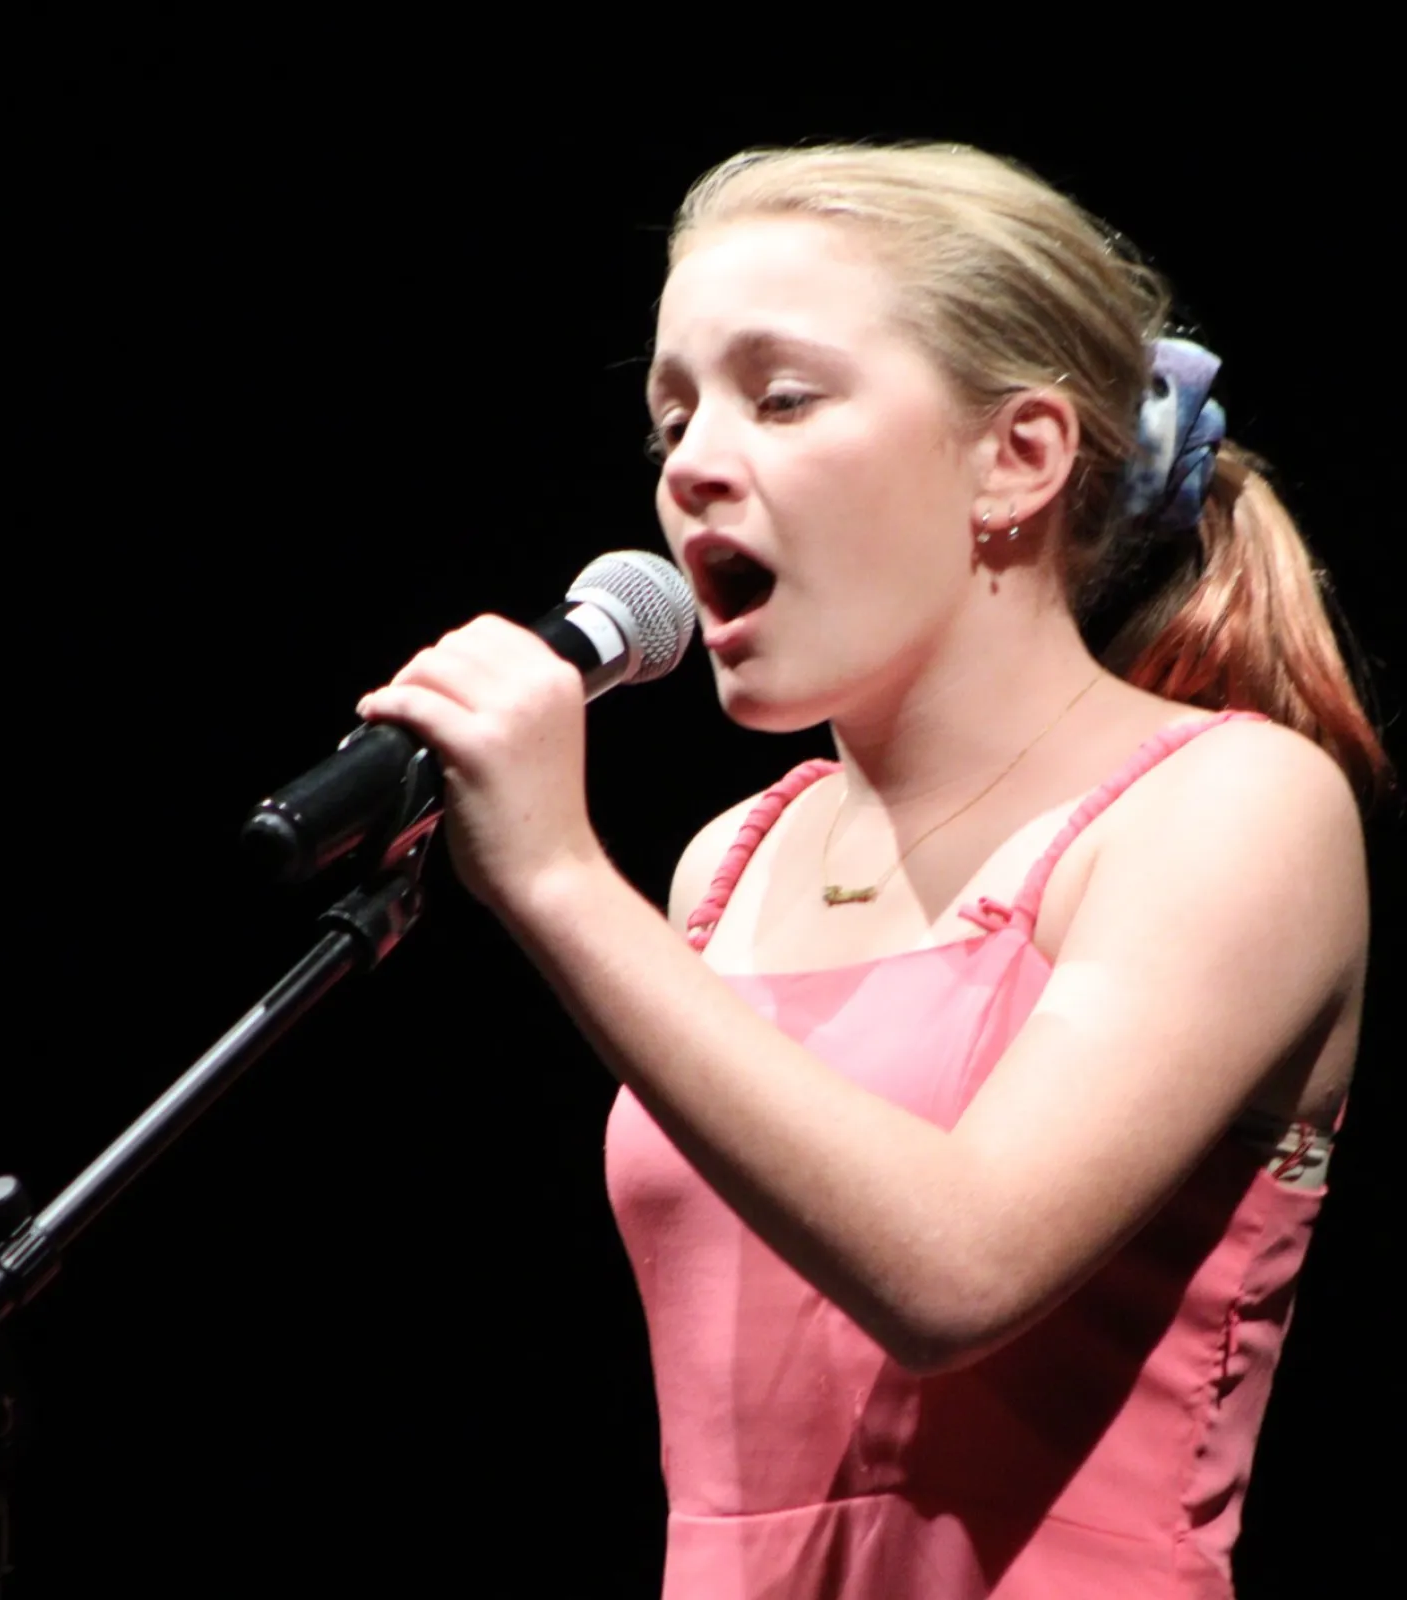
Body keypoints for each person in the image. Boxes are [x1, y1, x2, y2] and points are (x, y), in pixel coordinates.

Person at [354, 143, 1389, 1598]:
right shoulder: (732, 860)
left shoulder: (1229, 806)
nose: (695, 463)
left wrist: (557, 879)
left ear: (1017, 456)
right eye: (672, 418)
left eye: (782, 397)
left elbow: (955, 1272)